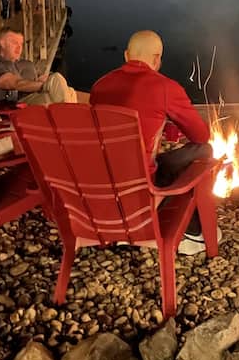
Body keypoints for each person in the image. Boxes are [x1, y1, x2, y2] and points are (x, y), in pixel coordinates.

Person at [89, 30, 215, 255]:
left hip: (101, 182)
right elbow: (200, 135)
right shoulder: (165, 87)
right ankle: (192, 232)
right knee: (204, 150)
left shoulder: (100, 85)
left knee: (155, 159)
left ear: (126, 55)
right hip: (141, 186)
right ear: (157, 59)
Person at [0, 28, 83, 105]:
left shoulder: (24, 63)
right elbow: (16, 83)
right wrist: (45, 86)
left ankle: (71, 117)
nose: (19, 47)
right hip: (19, 104)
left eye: (21, 44)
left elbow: (37, 78)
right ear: (2, 43)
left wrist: (42, 80)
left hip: (35, 96)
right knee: (56, 80)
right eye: (14, 43)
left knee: (70, 91)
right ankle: (71, 118)